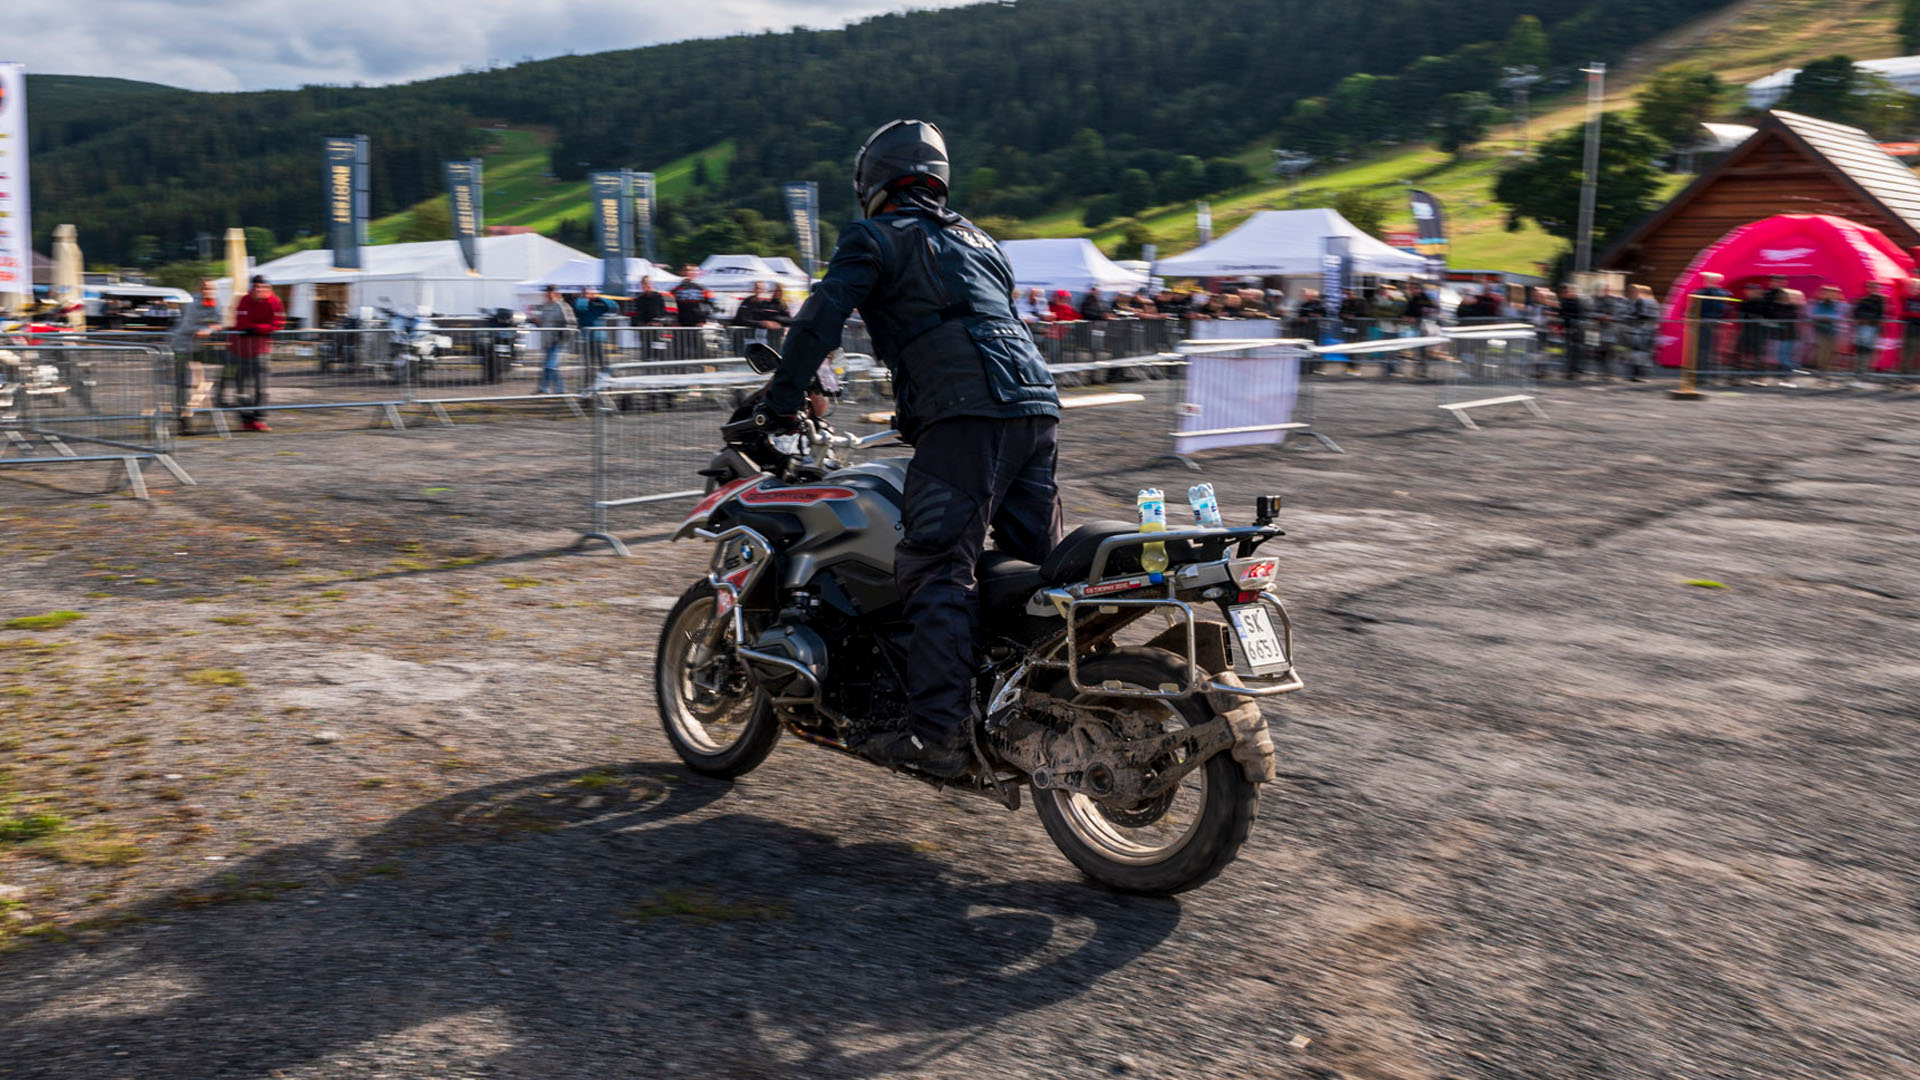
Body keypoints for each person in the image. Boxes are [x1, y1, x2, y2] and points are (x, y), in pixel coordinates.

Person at [758, 119, 1061, 778]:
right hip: (1036, 408)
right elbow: (980, 323)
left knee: (934, 567)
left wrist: (782, 398)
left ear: (874, 180)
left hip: (966, 416)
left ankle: (939, 735)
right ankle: (1038, 704)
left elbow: (822, 316)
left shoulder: (873, 236)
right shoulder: (981, 241)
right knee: (1034, 572)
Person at [227, 275, 283, 432]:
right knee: (241, 388)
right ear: (251, 288)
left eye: (262, 287)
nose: (259, 290)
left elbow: (278, 324)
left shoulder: (274, 301)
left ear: (268, 289)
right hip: (239, 350)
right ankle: (245, 419)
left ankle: (259, 419)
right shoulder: (244, 300)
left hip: (261, 351)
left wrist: (256, 329)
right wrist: (253, 328)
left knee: (261, 388)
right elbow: (240, 322)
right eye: (256, 287)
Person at [167, 279, 222, 435]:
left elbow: (220, 322)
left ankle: (212, 405)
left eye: (211, 289)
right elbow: (187, 326)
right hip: (181, 345)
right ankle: (183, 419)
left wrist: (211, 329)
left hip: (198, 346)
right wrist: (205, 328)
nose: (209, 291)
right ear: (200, 290)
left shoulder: (216, 303)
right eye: (205, 288)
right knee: (181, 383)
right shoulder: (193, 304)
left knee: (209, 375)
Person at [531, 284, 576, 394]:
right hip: (547, 341)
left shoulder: (563, 306)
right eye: (546, 293)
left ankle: (559, 390)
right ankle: (544, 388)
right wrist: (534, 320)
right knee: (549, 366)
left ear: (556, 293)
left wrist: (561, 337)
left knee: (550, 366)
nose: (547, 295)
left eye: (550, 292)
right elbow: (542, 323)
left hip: (558, 342)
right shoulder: (545, 306)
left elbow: (571, 324)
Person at [573, 286, 617, 371]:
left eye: (591, 293)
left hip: (598, 338)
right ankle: (589, 382)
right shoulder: (580, 303)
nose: (589, 295)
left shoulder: (599, 304)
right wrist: (586, 298)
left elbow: (614, 307)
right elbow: (579, 307)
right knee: (588, 364)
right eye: (586, 293)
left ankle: (606, 380)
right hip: (586, 338)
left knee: (603, 362)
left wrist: (600, 298)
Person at [1851, 281, 1887, 381]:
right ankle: (1858, 371)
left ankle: (1864, 371)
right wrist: (1864, 319)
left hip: (1872, 328)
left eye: (1876, 287)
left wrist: (1869, 319)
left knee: (1868, 349)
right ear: (1868, 288)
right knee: (1860, 349)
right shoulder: (1863, 299)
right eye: (1872, 287)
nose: (1874, 289)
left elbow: (1880, 315)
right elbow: (1857, 313)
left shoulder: (1881, 301)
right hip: (1862, 327)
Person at [1807, 285, 1844, 377]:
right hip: (1822, 330)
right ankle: (1821, 369)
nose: (1832, 295)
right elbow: (1814, 315)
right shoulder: (1820, 304)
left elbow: (1840, 316)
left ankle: (1826, 369)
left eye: (1834, 293)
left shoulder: (1838, 304)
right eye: (1830, 293)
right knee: (1822, 350)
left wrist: (1828, 317)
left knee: (1831, 351)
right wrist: (1825, 317)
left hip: (1834, 331)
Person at [1900, 278, 1920, 375]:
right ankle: (1905, 369)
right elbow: (1904, 313)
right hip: (1910, 326)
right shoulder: (1908, 298)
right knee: (1908, 347)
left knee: (1916, 347)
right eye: (1913, 286)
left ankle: (1913, 369)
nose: (1915, 288)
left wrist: (1912, 315)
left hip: (1917, 325)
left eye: (1917, 287)